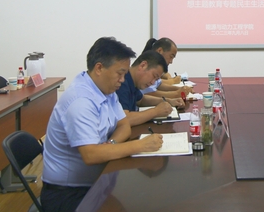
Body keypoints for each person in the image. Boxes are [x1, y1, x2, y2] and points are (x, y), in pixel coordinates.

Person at [41, 37, 164, 212]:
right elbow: (91, 155)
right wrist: (140, 145)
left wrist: (111, 144)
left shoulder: (106, 90)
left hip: (98, 181)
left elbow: (124, 125)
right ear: (99, 68)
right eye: (120, 73)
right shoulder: (80, 101)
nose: (123, 80)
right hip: (68, 193)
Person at [116, 50, 184, 127]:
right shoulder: (122, 83)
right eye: (154, 76)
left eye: (156, 79)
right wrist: (156, 111)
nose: (153, 82)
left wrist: (169, 101)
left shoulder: (133, 81)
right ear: (143, 65)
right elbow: (124, 120)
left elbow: (141, 100)